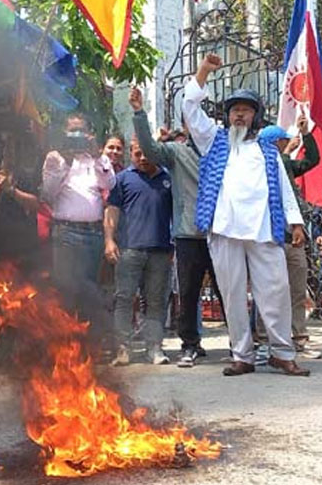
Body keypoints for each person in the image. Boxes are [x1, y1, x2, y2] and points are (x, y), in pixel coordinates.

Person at [184, 53, 310, 377]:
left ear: (255, 117)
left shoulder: (267, 150)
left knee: (276, 290)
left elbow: (283, 188)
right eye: (235, 111)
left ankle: (282, 352)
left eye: (246, 111)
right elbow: (189, 109)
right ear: (227, 116)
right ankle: (242, 355)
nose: (240, 115)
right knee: (232, 294)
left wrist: (296, 223)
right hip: (224, 229)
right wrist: (202, 72)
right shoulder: (212, 139)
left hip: (264, 229)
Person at [131, 87, 223, 367]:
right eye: (190, 121)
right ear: (185, 125)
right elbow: (149, 149)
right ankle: (190, 345)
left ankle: (242, 345)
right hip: (188, 234)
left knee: (228, 291)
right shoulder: (177, 152)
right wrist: (138, 113)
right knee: (189, 292)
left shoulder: (224, 152)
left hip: (221, 234)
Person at [41, 113, 115, 338]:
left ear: (88, 132)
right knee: (66, 288)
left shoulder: (95, 158)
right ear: (64, 132)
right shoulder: (55, 157)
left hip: (93, 233)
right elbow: (48, 193)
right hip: (66, 233)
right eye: (72, 130)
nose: (76, 135)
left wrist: (97, 155)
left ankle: (88, 342)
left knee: (90, 289)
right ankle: (65, 340)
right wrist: (65, 161)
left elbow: (110, 183)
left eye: (80, 130)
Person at [104, 137, 174, 366]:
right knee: (124, 299)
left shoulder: (168, 178)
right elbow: (112, 211)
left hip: (161, 251)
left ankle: (154, 348)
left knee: (155, 301)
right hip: (129, 250)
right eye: (137, 153)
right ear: (131, 154)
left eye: (147, 153)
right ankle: (122, 349)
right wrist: (109, 240)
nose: (143, 158)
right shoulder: (122, 179)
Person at [259, 119, 322, 357]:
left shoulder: (286, 163)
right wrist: (285, 153)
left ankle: (299, 337)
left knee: (297, 289)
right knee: (268, 292)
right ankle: (265, 338)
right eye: (285, 141)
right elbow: (278, 167)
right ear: (276, 143)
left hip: (292, 237)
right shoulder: (260, 165)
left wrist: (306, 134)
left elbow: (312, 160)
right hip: (268, 239)